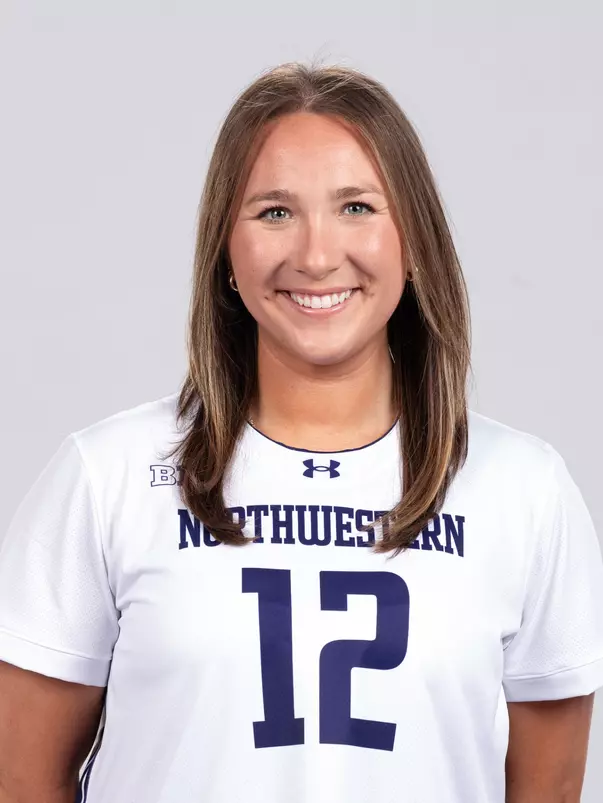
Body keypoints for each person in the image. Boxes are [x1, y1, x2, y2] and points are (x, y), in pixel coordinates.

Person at [0, 61, 602, 803]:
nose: (316, 256)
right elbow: (21, 778)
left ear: (412, 239)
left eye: (356, 207)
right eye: (274, 212)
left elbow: (547, 786)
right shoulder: (106, 476)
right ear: (225, 248)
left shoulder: (524, 491)